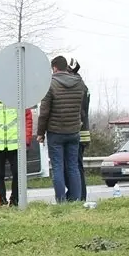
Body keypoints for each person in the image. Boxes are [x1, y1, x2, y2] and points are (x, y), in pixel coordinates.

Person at [36, 55, 87, 202]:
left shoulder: (50, 84)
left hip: (56, 132)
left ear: (55, 67)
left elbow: (44, 112)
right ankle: (76, 199)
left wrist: (40, 133)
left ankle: (61, 200)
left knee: (58, 167)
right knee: (73, 166)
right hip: (74, 131)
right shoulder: (79, 83)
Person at [69, 57, 91, 201]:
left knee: (76, 166)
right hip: (82, 132)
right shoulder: (82, 85)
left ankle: (80, 197)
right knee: (77, 165)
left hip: (78, 132)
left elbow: (80, 112)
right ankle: (79, 195)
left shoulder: (78, 87)